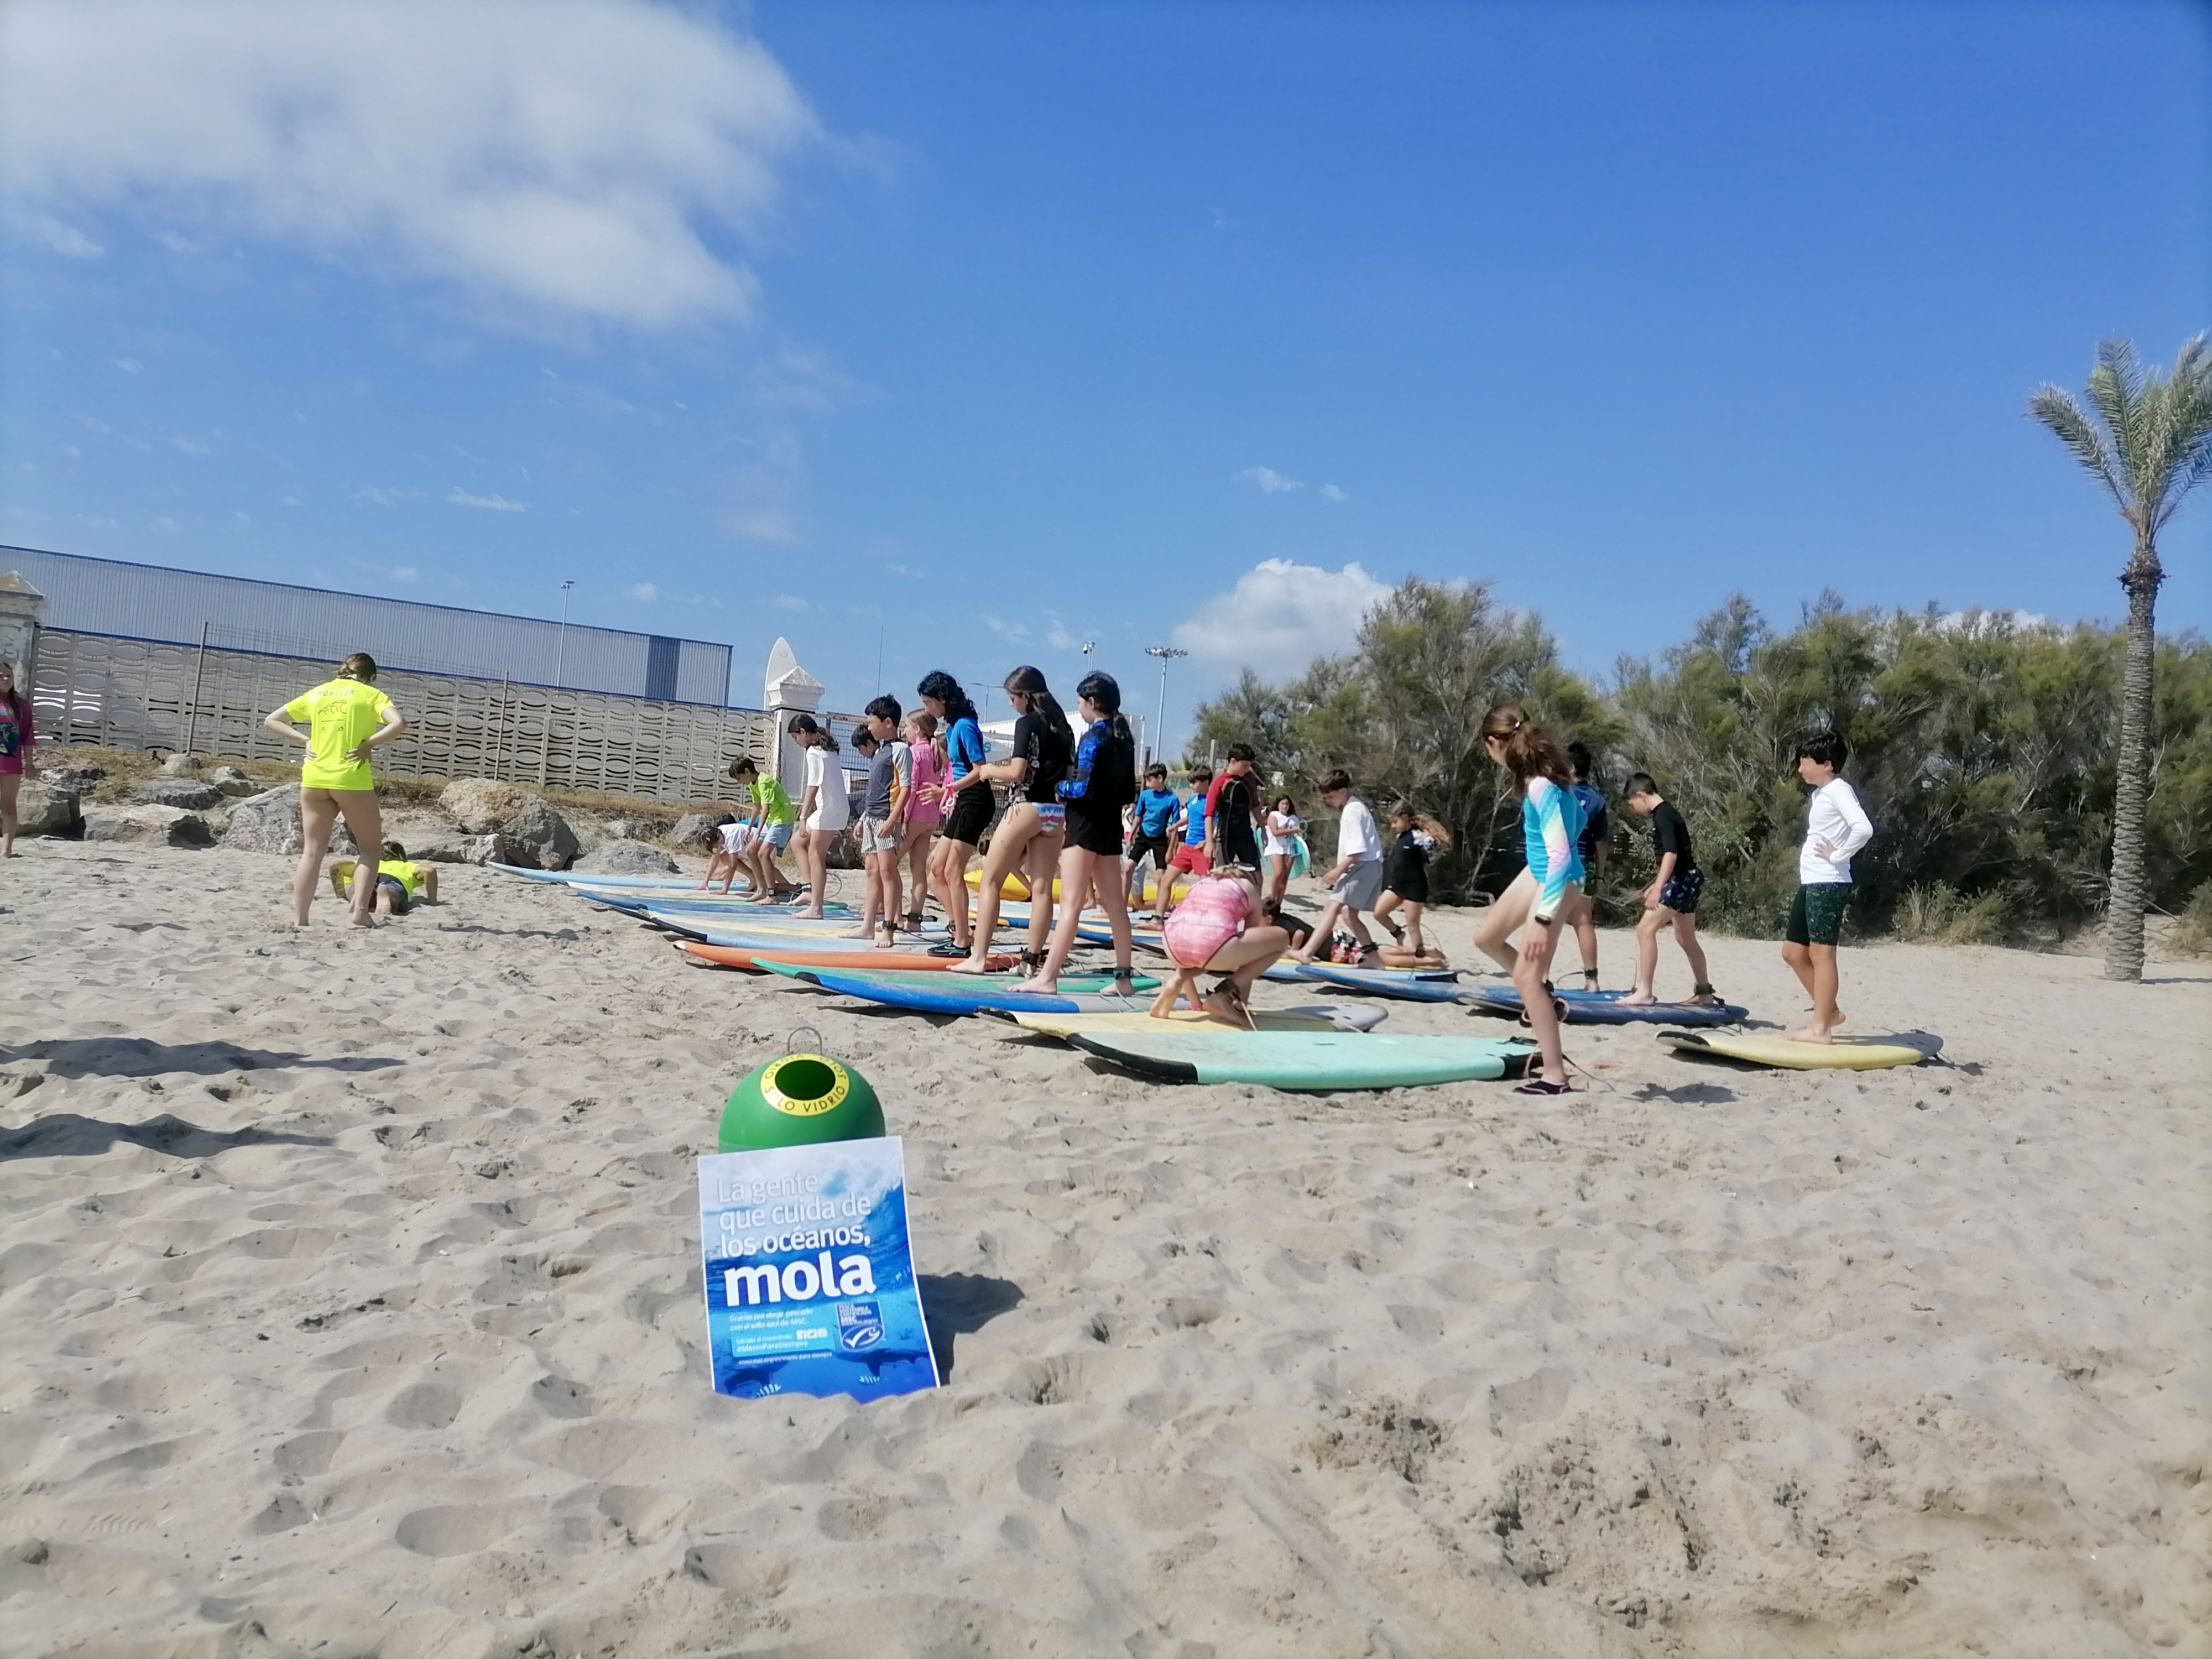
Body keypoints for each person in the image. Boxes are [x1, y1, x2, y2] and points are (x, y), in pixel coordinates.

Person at [1475, 702, 1585, 1095]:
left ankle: (1555, 1076)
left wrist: (1543, 918)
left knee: (1525, 977)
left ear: (1494, 743)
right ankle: (1545, 996)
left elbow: (1561, 855)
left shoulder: (1540, 785)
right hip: (1538, 874)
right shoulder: (1541, 779)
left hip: (1556, 880)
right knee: (1486, 938)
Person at [260, 652, 408, 927]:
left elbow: (273, 720)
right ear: (371, 677)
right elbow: (398, 724)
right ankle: (360, 913)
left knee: (312, 853)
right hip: (351, 780)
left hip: (315, 779)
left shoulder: (318, 693)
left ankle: (301, 918)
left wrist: (305, 740)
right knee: (370, 850)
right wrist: (369, 745)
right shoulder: (371, 695)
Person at [1021, 670, 1140, 994]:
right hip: (1109, 827)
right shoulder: (1124, 740)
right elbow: (1128, 791)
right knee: (1115, 906)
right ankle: (1124, 979)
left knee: (1071, 905)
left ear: (1092, 702)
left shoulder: (1094, 738)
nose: (1079, 708)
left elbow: (1082, 787)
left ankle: (1047, 978)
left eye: (1080, 703)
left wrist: (1059, 786)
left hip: (1084, 824)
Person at [948, 666, 1072, 975]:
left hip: (1027, 806)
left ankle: (978, 958)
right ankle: (1031, 962)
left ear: (1026, 696)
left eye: (1012, 697)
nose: (1011, 704)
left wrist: (988, 771)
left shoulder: (1027, 723)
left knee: (991, 881)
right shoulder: (1063, 726)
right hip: (1055, 812)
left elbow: (1016, 772)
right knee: (1042, 889)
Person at [1784, 730, 1873, 1043]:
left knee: (1823, 956)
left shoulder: (1839, 790)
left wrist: (1839, 854)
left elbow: (1864, 828)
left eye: (1804, 762)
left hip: (1828, 882)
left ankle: (1821, 1029)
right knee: (1793, 953)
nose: (1800, 769)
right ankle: (1829, 1011)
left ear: (1826, 764)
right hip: (1812, 881)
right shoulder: (1820, 794)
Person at [1619, 773, 1720, 1006]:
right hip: (1690, 878)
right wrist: (1656, 884)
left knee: (1645, 930)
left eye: (1632, 804)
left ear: (1640, 795)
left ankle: (1644, 991)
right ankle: (1704, 993)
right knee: (1685, 938)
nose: (1633, 809)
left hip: (1683, 879)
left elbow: (1671, 854)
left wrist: (1658, 887)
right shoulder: (1667, 813)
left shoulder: (1663, 815)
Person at [1151, 864, 1289, 1029]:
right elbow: (1249, 950)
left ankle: (1177, 980)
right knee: (1281, 939)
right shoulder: (1249, 889)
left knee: (1199, 949)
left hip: (1171, 943)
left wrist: (1197, 1004)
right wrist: (1240, 1005)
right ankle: (1224, 996)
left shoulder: (1201, 883)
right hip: (1211, 945)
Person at [917, 671, 990, 957]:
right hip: (962, 798)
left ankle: (962, 941)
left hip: (975, 799)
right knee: (936, 870)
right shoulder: (952, 729)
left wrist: (945, 790)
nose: (926, 709)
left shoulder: (965, 727)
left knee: (952, 870)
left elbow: (980, 770)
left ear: (942, 700)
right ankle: (960, 929)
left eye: (928, 702)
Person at [1292, 770, 1385, 964]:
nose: (1328, 800)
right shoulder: (1356, 807)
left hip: (1363, 866)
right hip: (1369, 866)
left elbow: (1357, 850)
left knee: (1332, 907)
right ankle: (1374, 959)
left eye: (1331, 796)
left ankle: (1307, 953)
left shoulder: (1352, 811)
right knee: (1348, 914)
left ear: (1343, 790)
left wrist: (1338, 871)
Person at [851, 696, 912, 946]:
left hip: (887, 819)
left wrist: (893, 820)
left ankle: (889, 927)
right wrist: (864, 818)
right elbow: (875, 790)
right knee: (872, 870)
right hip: (873, 817)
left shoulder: (900, 750)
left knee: (888, 871)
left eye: (871, 723)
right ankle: (867, 926)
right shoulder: (879, 752)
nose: (869, 728)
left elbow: (906, 789)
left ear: (888, 722)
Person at [788, 713, 849, 920]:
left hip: (830, 809)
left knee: (816, 855)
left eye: (795, 737)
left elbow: (812, 786)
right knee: (797, 842)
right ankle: (808, 891)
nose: (796, 742)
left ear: (803, 733)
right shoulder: (827, 749)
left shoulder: (813, 751)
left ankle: (816, 908)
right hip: (833, 807)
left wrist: (803, 816)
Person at [1373, 802, 1450, 959]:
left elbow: (1431, 860)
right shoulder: (1401, 836)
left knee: (1413, 926)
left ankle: (1421, 957)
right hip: (1397, 885)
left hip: (1414, 887)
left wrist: (1429, 842)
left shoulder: (1419, 836)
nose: (1393, 826)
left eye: (1395, 822)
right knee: (1379, 913)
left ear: (1406, 818)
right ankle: (1399, 934)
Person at [1564, 741, 1611, 990]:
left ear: (1571, 767)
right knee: (1584, 922)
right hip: (1586, 865)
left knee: (1547, 922)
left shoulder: (1559, 794)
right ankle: (1591, 980)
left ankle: (1542, 978)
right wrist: (1601, 875)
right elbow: (1602, 843)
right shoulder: (1597, 801)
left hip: (1561, 864)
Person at [726, 757, 800, 903]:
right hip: (773, 819)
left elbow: (765, 810)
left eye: (739, 777)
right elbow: (757, 806)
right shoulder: (752, 785)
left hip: (782, 820)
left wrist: (757, 834)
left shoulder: (764, 781)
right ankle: (761, 889)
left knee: (764, 853)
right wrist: (749, 829)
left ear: (747, 771)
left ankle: (772, 895)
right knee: (750, 851)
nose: (739, 781)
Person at [899, 709, 943, 933]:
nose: (905, 731)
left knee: (888, 864)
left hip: (915, 814)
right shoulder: (934, 752)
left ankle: (894, 915)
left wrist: (904, 818)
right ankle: (914, 919)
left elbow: (912, 786)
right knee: (918, 870)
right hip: (931, 816)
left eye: (907, 727)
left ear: (917, 729)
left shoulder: (914, 752)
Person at [1155, 763, 1213, 921]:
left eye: (1194, 782)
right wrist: (1175, 826)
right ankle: (1158, 918)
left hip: (1201, 849)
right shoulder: (1193, 800)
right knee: (1166, 879)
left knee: (1204, 885)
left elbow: (1218, 824)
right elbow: (1190, 817)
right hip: (1187, 847)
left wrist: (1209, 841)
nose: (1191, 785)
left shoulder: (1212, 801)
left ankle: (1202, 920)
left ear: (1206, 782)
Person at [1125, 764, 1182, 912]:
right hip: (1143, 835)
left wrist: (1171, 850)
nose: (1148, 784)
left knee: (1161, 877)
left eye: (1150, 780)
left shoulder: (1172, 799)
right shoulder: (1145, 795)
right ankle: (1121, 907)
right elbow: (1138, 816)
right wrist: (1131, 834)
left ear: (1160, 779)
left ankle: (1159, 912)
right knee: (1128, 868)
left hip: (1160, 839)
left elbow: (1175, 827)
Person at [1204, 744, 1263, 873]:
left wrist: (1264, 828)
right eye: (1245, 766)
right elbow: (1209, 815)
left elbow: (1255, 806)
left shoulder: (1249, 780)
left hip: (1246, 835)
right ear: (1233, 762)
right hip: (1226, 837)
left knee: (1256, 873)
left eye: (1249, 766)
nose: (1247, 769)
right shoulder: (1219, 783)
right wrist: (1209, 842)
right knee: (1222, 874)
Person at [337, 840, 437, 916]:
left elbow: (336, 867)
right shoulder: (406, 866)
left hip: (370, 876)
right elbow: (429, 871)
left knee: (356, 887)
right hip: (393, 880)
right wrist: (432, 900)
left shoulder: (368, 864)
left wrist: (341, 895)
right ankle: (387, 892)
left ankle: (361, 893)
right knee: (393, 891)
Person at [0, 658, 35, 859]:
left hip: (11, 762)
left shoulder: (22, 706)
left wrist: (30, 763)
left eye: (9, 676)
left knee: (8, 804)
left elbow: (27, 736)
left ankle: (7, 850)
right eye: (1, 676)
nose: (5, 679)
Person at [1261, 795, 1302, 909]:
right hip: (1276, 847)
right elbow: (1275, 832)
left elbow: (1297, 834)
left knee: (1285, 877)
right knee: (1279, 872)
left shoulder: (1294, 818)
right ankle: (1273, 898)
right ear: (1278, 804)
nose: (1285, 806)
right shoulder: (1274, 816)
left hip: (1290, 848)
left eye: (1287, 804)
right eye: (1283, 804)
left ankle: (1279, 903)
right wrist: (1291, 830)